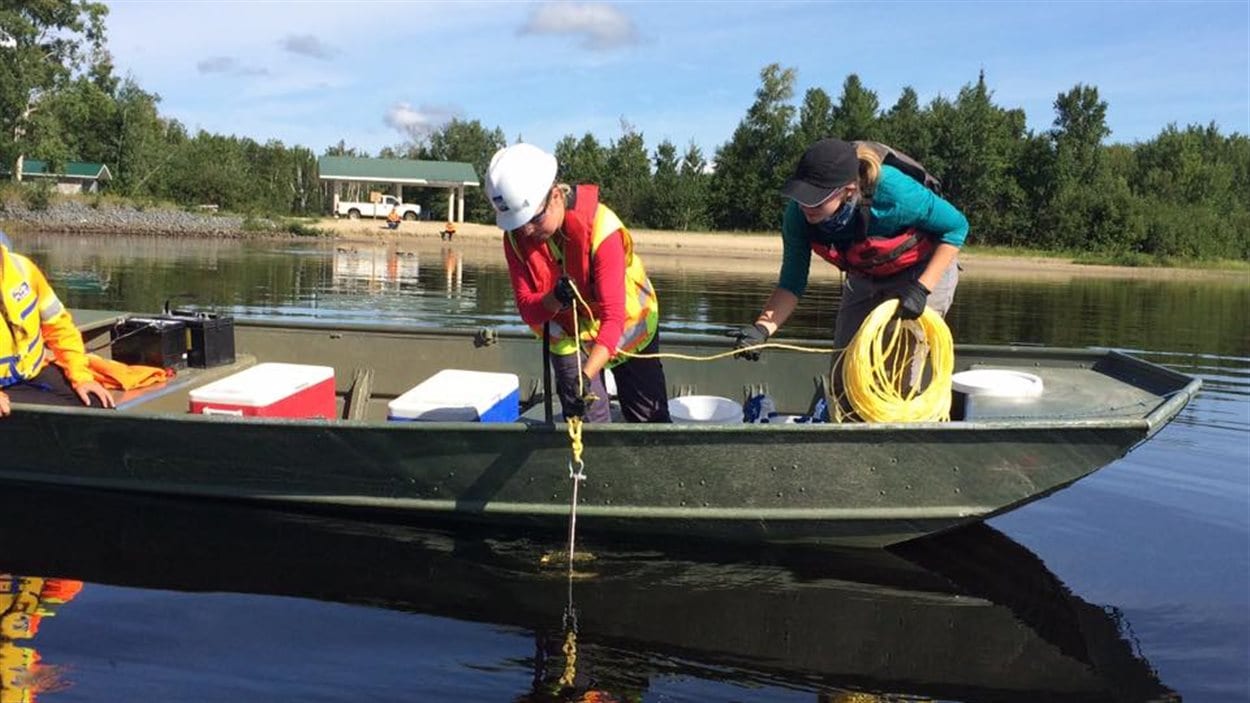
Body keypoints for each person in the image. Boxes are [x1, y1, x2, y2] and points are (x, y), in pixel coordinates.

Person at [733, 138, 967, 392]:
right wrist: (761, 329)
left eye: (817, 199)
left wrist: (922, 289)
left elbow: (956, 227)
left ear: (849, 189)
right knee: (843, 373)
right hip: (865, 275)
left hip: (923, 270)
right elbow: (791, 283)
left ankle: (900, 428)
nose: (806, 206)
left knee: (898, 375)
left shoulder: (894, 193)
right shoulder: (798, 216)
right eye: (802, 197)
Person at [485, 143, 670, 423]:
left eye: (533, 219)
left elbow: (613, 318)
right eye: (517, 223)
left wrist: (585, 375)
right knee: (585, 419)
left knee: (649, 424)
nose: (527, 230)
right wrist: (554, 298)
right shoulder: (516, 237)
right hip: (569, 336)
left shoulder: (603, 231)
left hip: (629, 329)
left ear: (556, 196)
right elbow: (528, 309)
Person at [0, 234, 115, 416]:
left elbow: (60, 328)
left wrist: (82, 377)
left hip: (32, 372)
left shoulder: (23, 269)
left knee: (96, 404)